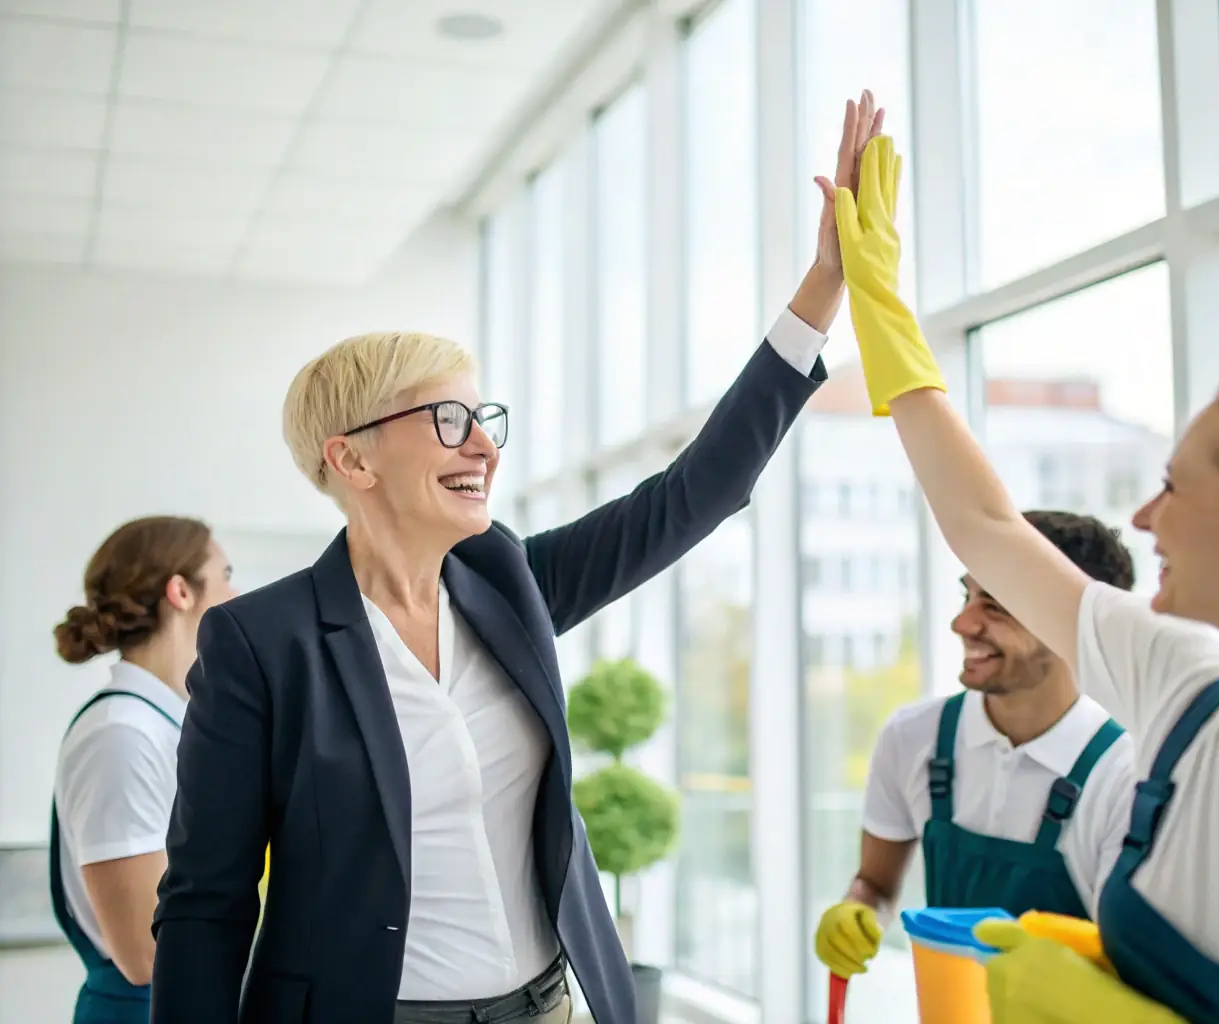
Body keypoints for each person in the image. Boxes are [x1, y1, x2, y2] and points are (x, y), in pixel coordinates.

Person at [150, 93, 888, 1024]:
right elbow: (205, 903)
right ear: (352, 457)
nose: (483, 447)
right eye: (448, 421)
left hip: (549, 1007)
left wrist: (822, 286)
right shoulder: (262, 642)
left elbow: (689, 496)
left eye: (484, 420)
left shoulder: (507, 585)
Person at [827, 132, 1219, 1022]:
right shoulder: (1183, 687)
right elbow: (987, 526)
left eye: (1172, 487)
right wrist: (880, 306)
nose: (1145, 519)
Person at [815, 510, 1137, 981]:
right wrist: (857, 910)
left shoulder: (1124, 774)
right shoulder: (913, 738)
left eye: (996, 604)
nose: (961, 623)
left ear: (1076, 623)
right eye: (967, 595)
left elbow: (1129, 960)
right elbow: (875, 884)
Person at [49, 516, 237, 1024]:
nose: (236, 592)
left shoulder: (169, 719)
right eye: (225, 573)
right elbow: (144, 953)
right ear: (180, 591)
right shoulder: (121, 733)